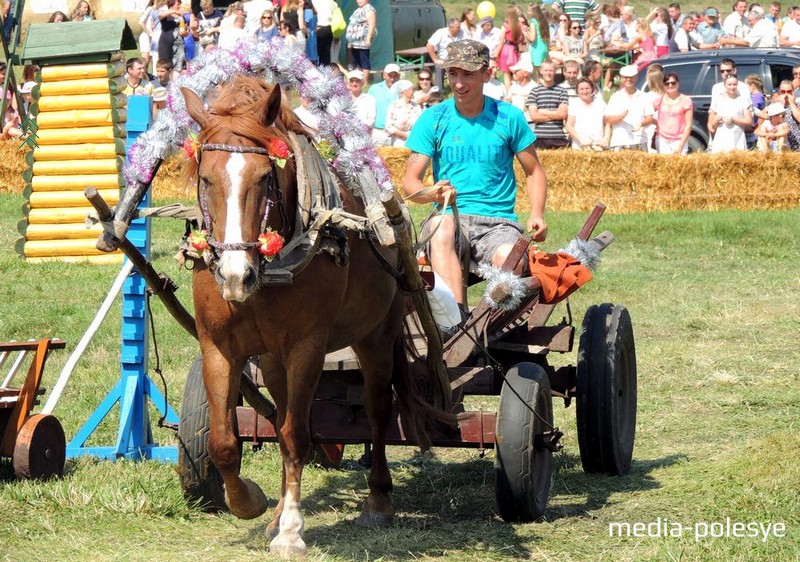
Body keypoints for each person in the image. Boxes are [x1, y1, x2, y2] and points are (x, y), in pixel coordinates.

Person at [402, 39, 548, 308]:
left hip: (499, 223)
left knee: (509, 258)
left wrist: (537, 213)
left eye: (467, 74)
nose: (458, 83)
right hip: (451, 216)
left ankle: (488, 323)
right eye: (452, 73)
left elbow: (534, 171)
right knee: (437, 227)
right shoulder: (433, 119)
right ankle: (457, 322)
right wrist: (431, 193)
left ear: (487, 74)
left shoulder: (508, 117)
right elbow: (410, 182)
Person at [606, 64, 654, 151]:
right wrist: (620, 117)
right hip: (619, 142)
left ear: (636, 78)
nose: (628, 79)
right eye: (625, 77)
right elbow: (608, 120)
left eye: (631, 77)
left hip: (639, 141)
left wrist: (641, 124)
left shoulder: (644, 96)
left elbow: (650, 118)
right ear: (621, 78)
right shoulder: (615, 97)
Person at [526, 60, 569, 149]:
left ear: (555, 71)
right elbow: (534, 116)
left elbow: (562, 114)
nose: (548, 73)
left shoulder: (562, 91)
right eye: (546, 70)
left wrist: (542, 111)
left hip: (558, 136)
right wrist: (555, 114)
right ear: (541, 71)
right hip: (539, 137)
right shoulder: (534, 91)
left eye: (551, 70)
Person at [708, 75, 753, 153]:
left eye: (734, 84)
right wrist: (717, 119)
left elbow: (749, 122)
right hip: (721, 138)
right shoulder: (718, 100)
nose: (732, 87)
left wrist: (734, 119)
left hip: (737, 137)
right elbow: (713, 125)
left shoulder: (743, 100)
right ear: (725, 85)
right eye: (729, 84)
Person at [653, 72, 693, 154]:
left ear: (678, 83)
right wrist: (657, 124)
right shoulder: (658, 100)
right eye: (667, 84)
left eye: (673, 83)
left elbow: (688, 125)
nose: (670, 86)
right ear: (663, 85)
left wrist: (681, 146)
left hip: (679, 140)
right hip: (662, 140)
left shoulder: (686, 100)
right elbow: (649, 116)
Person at [565, 77, 609, 149]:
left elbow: (607, 123)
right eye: (581, 89)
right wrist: (581, 140)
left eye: (587, 88)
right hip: (579, 146)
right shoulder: (574, 104)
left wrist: (605, 139)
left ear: (592, 89)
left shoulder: (600, 103)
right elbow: (569, 126)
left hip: (598, 145)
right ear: (577, 91)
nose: (584, 91)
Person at [367, 63, 400, 146]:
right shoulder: (374, 89)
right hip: (377, 132)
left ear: (399, 76)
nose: (392, 79)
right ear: (384, 75)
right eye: (390, 76)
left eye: (395, 76)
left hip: (396, 133)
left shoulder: (403, 90)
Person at [495, 7, 524, 92]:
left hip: (506, 50)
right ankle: (515, 91)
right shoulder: (519, 25)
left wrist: (496, 54)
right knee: (514, 73)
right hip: (515, 50)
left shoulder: (505, 26)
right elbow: (521, 39)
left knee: (506, 75)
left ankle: (508, 93)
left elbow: (501, 42)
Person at [385, 80, 421, 147]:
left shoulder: (416, 106)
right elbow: (388, 127)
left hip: (414, 142)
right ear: (404, 91)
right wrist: (404, 134)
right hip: (398, 143)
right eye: (411, 89)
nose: (413, 91)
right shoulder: (393, 106)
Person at [345, 0, 376, 71]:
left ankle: (365, 81)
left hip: (362, 42)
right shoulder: (358, 10)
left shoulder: (369, 9)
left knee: (364, 61)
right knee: (355, 62)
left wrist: (368, 39)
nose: (359, 0)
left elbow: (372, 24)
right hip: (354, 42)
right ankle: (357, 78)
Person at [527, 4, 550, 80]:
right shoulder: (544, 21)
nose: (528, 13)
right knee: (544, 70)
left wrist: (525, 32)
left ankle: (539, 87)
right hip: (544, 46)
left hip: (537, 48)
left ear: (534, 12)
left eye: (529, 11)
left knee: (537, 73)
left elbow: (532, 38)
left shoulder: (533, 22)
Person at [312, 0, 336, 65]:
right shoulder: (332, 2)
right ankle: (325, 72)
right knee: (326, 55)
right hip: (328, 28)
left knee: (315, 54)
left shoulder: (313, 1)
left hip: (317, 28)